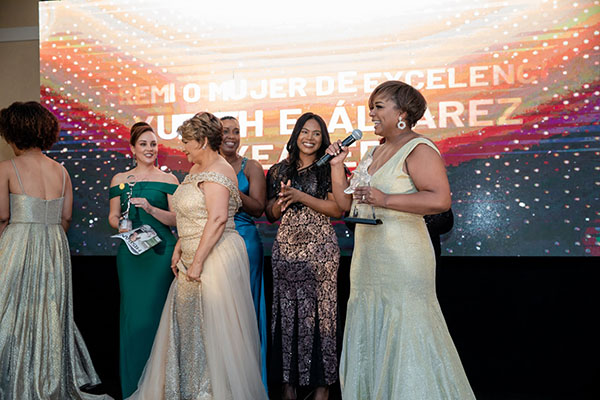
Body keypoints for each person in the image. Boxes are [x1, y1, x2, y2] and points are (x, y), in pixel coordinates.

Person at [326, 80, 476, 399]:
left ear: (402, 113)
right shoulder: (373, 151)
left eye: (379, 107)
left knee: (406, 327)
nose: (371, 113)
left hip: (403, 256)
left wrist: (386, 199)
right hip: (368, 259)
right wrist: (337, 167)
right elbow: (345, 205)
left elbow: (440, 200)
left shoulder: (418, 148)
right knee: (371, 329)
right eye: (371, 107)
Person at [127, 112, 266, 399]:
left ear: (202, 141)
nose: (183, 148)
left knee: (212, 331)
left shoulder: (219, 170)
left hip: (214, 258)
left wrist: (198, 261)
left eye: (187, 142)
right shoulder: (196, 168)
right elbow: (191, 214)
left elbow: (217, 219)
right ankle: (188, 390)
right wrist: (181, 245)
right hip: (193, 254)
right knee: (190, 329)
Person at [0, 101, 111, 399]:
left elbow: (2, 216)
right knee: (48, 313)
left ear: (13, 132)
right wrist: (48, 240)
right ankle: (45, 376)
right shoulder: (61, 171)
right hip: (54, 244)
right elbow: (66, 217)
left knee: (9, 311)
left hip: (18, 242)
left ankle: (15, 378)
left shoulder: (6, 168)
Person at [266, 112, 343, 400]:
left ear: (323, 139)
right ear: (296, 134)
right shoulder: (278, 171)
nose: (310, 138)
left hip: (320, 253)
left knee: (322, 317)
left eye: (317, 133)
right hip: (286, 253)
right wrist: (283, 200)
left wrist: (301, 197)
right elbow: (270, 214)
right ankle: (289, 386)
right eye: (305, 132)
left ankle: (322, 387)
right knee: (287, 317)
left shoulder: (329, 167)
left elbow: (338, 209)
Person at [108, 122, 179, 398]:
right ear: (132, 149)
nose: (150, 149)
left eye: (153, 144)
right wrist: (121, 225)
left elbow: (177, 219)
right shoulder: (119, 179)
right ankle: (134, 387)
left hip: (161, 254)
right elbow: (112, 216)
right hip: (131, 255)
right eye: (143, 144)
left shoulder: (169, 180)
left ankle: (160, 387)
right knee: (133, 318)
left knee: (156, 317)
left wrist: (150, 209)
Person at [219, 116, 268, 391]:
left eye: (236, 131)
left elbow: (259, 208)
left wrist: (231, 189)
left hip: (245, 241)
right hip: (214, 241)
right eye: (226, 131)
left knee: (246, 310)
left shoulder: (252, 167)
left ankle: (249, 383)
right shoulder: (205, 166)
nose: (232, 136)